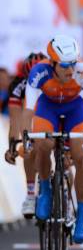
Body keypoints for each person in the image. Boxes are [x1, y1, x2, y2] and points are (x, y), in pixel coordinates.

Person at [22, 35, 83, 244]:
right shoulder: (39, 72)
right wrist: (24, 138)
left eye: (73, 63)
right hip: (48, 110)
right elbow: (28, 111)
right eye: (65, 65)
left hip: (76, 111)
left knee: (79, 155)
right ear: (52, 62)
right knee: (42, 143)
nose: (70, 69)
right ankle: (45, 190)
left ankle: (81, 219)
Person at [4, 52, 47, 218]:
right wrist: (13, 146)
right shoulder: (18, 86)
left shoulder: (55, 81)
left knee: (65, 156)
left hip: (52, 116)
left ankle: (64, 192)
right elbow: (15, 119)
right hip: (30, 117)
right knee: (28, 147)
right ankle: (30, 194)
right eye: (30, 78)